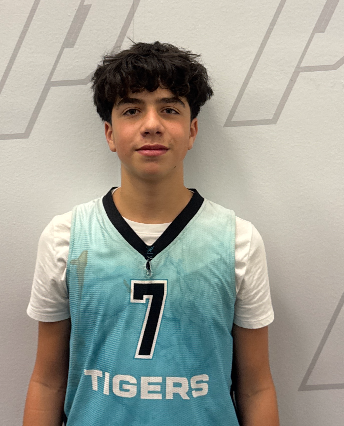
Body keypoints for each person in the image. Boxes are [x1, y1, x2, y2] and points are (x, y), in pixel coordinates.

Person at [23, 41, 279, 426]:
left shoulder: (238, 241)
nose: (152, 124)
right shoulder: (66, 238)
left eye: (169, 109)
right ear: (110, 134)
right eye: (132, 110)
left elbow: (255, 388)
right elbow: (47, 382)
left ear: (192, 131)